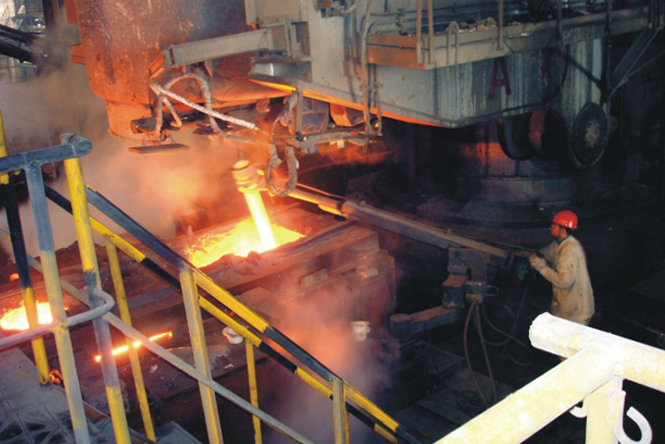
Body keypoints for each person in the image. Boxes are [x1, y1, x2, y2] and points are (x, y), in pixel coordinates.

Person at [529, 210, 595, 325]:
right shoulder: (561, 243)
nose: (551, 227)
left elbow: (564, 281)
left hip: (576, 314)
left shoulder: (569, 251)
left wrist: (541, 267)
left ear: (563, 230)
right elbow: (550, 252)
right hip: (567, 309)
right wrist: (535, 254)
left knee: (570, 337)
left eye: (555, 225)